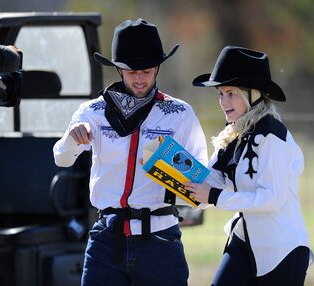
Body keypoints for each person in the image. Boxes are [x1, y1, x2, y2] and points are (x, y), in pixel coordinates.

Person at [53, 18, 207, 286]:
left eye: (146, 70)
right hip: (105, 240)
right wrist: (72, 139)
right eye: (131, 71)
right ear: (118, 70)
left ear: (157, 67)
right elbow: (62, 159)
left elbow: (201, 187)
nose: (139, 79)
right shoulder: (92, 112)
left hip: (160, 242)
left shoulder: (180, 114)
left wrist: (171, 165)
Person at [185, 46, 313, 286]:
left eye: (231, 93)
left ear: (253, 93)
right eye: (220, 93)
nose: (223, 102)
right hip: (245, 241)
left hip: (281, 251)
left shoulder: (273, 136)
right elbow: (210, 182)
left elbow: (271, 198)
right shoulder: (232, 135)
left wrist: (213, 195)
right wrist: (172, 173)